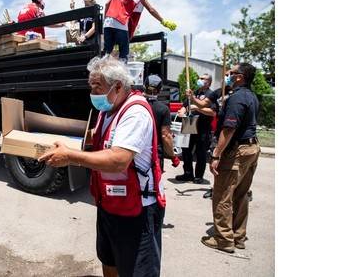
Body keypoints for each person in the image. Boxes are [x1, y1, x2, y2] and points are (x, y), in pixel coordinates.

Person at [39, 56, 165, 277]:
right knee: (109, 260)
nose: (93, 94)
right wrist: (68, 144)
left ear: (117, 86)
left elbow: (118, 160)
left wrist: (70, 156)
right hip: (110, 204)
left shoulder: (135, 113)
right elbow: (101, 141)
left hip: (137, 210)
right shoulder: (106, 111)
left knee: (137, 271)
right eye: (91, 87)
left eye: (97, 87)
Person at [200, 63, 261, 253]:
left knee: (222, 195)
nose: (226, 75)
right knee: (241, 195)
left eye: (230, 73)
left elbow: (229, 128)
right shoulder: (251, 96)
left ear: (239, 77)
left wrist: (216, 154)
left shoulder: (237, 98)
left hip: (237, 151)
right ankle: (238, 236)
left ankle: (224, 239)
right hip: (251, 148)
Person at [103, 0, 177, 61]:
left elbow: (106, 4)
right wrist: (163, 21)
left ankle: (98, 73)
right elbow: (151, 9)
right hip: (120, 22)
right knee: (123, 55)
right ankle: (121, 73)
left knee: (106, 53)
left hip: (107, 22)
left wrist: (106, 19)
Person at [175, 74, 216, 184]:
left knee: (200, 152)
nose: (200, 80)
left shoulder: (210, 95)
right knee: (186, 149)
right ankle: (188, 173)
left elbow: (212, 112)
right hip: (189, 122)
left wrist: (197, 108)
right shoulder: (194, 92)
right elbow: (185, 105)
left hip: (202, 125)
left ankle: (198, 176)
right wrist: (183, 110)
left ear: (209, 82)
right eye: (199, 78)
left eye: (203, 79)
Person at [144, 74, 180, 171]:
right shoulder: (163, 109)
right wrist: (173, 156)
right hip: (154, 154)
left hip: (135, 152)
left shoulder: (135, 104)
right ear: (160, 90)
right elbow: (166, 136)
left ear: (144, 87)